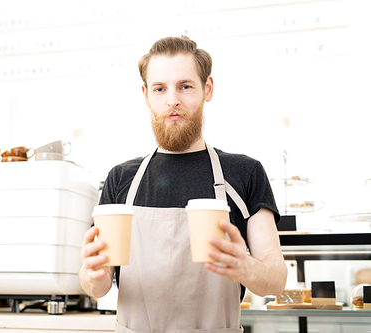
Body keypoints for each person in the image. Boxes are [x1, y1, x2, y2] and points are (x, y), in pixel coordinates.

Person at [79, 35, 287, 332]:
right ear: (146, 95)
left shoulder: (245, 172)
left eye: (185, 86)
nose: (172, 100)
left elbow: (276, 279)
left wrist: (246, 267)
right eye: (160, 88)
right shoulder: (121, 179)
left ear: (208, 89)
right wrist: (93, 275)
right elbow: (96, 287)